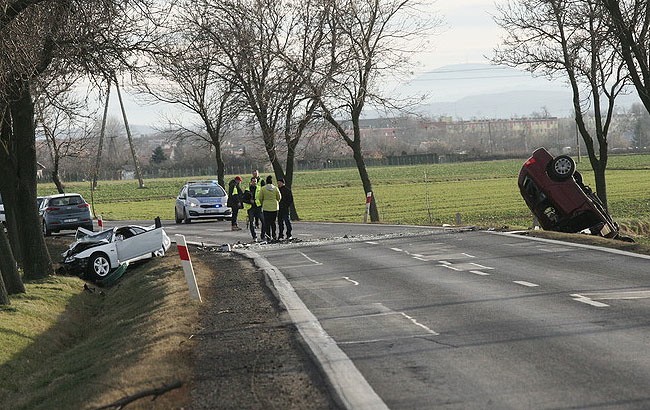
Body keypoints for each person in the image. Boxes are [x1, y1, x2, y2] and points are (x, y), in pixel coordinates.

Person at [258, 175, 281, 242]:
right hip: (274, 207)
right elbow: (279, 197)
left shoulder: (263, 189)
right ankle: (274, 235)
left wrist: (263, 203)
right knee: (273, 222)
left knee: (267, 223)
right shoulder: (275, 188)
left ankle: (268, 236)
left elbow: (260, 198)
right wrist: (276, 202)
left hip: (266, 207)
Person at [243, 177, 263, 241]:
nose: (254, 182)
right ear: (251, 182)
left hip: (258, 207)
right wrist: (250, 201)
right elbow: (243, 199)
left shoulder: (260, 188)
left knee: (263, 221)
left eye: (255, 181)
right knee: (251, 222)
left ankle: (263, 235)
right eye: (253, 181)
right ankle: (254, 236)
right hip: (251, 208)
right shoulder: (247, 190)